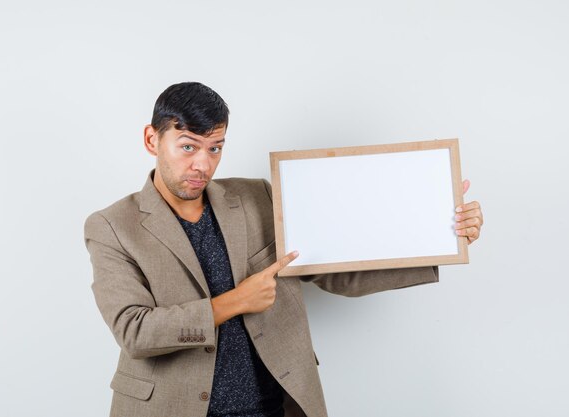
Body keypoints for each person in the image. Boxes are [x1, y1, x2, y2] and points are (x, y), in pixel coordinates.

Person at [84, 82, 484, 417]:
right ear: (152, 139)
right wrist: (235, 301)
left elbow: (333, 268)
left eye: (215, 148)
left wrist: (442, 237)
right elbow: (135, 331)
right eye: (188, 147)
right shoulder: (112, 226)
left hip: (274, 405)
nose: (203, 165)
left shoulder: (257, 196)